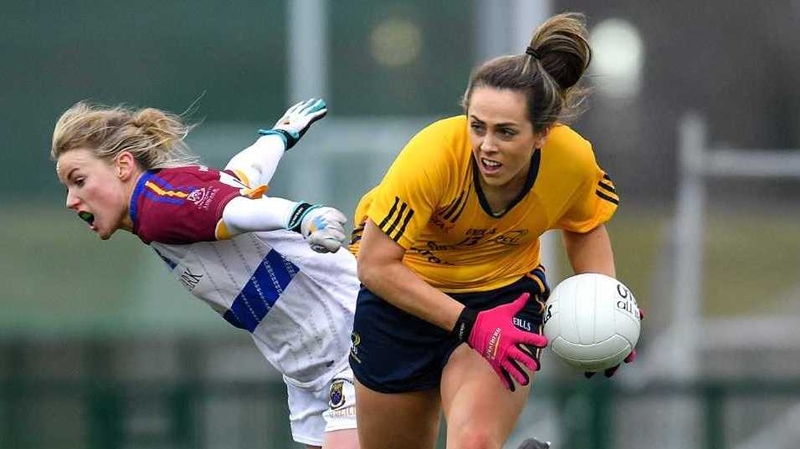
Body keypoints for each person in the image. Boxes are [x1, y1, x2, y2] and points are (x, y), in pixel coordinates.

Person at [348, 12, 638, 449]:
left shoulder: (571, 161)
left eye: (506, 132)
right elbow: (374, 266)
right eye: (477, 126)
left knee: (476, 442)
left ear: (542, 134)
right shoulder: (431, 157)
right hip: (402, 301)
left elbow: (584, 226)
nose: (487, 146)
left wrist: (605, 306)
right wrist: (469, 324)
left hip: (504, 300)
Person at [51, 98, 360, 449]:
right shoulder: (164, 199)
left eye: (79, 181)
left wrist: (302, 216)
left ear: (123, 165)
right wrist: (278, 137)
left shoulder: (158, 206)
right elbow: (239, 177)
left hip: (347, 336)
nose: (71, 200)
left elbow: (234, 210)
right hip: (307, 365)